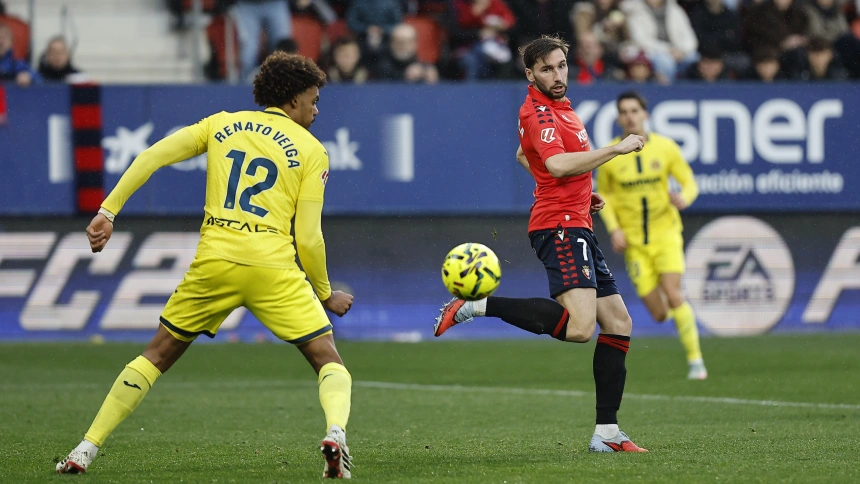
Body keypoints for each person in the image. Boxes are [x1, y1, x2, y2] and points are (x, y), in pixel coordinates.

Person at [56, 52, 356, 479]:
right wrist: (324, 292)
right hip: (273, 267)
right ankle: (336, 433)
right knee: (328, 360)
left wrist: (109, 210)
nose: (316, 109)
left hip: (215, 261)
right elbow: (308, 237)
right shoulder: (312, 151)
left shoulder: (221, 124)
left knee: (156, 354)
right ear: (292, 100)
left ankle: (85, 449)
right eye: (313, 99)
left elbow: (151, 156)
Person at [434, 35, 648, 453]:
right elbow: (553, 163)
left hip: (576, 219)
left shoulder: (560, 109)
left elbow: (524, 156)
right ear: (530, 74)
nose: (557, 75)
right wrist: (615, 150)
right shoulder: (538, 111)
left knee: (619, 322)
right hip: (560, 226)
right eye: (547, 69)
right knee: (581, 328)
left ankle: (607, 434)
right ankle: (476, 305)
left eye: (562, 66)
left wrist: (582, 193)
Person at [596, 91, 707, 380]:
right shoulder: (611, 153)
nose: (630, 116)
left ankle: (696, 361)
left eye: (635, 110)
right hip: (634, 244)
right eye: (624, 111)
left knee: (673, 293)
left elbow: (689, 181)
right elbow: (603, 194)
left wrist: (684, 197)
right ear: (619, 118)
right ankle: (682, 318)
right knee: (659, 314)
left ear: (645, 114)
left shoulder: (666, 148)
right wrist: (615, 228)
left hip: (666, 234)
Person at [621, 0, 699, 81]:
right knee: (665, 62)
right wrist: (669, 50)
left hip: (677, 51)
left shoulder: (675, 9)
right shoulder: (635, 9)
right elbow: (640, 40)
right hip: (650, 51)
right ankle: (669, 91)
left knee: (693, 57)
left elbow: (690, 38)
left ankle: (690, 90)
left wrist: (681, 50)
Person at [232, 0, 293, 82]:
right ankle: (243, 90)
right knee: (248, 54)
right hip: (247, 5)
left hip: (276, 4)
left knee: (285, 48)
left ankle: (285, 87)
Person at [371, 23, 438, 83]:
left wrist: (428, 74)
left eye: (406, 42)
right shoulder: (381, 64)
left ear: (415, 43)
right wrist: (405, 76)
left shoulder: (423, 65)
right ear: (391, 43)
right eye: (398, 42)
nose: (402, 46)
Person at [0, 21, 38, 87]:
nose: (1, 41)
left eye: (5, 37)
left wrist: (29, 76)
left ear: (11, 42)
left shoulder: (19, 64)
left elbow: (40, 79)